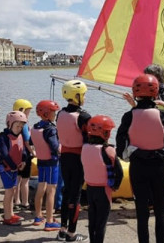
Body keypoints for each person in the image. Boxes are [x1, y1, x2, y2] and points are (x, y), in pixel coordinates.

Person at [116, 74, 164, 243]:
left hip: (138, 168)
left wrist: (130, 156)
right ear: (156, 93)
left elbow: (121, 143)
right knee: (160, 212)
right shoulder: (163, 115)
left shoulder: (129, 116)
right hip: (159, 168)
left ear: (135, 93)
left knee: (142, 212)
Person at [123, 63, 164, 215]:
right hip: (147, 132)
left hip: (163, 133)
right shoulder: (145, 90)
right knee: (148, 170)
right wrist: (133, 104)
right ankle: (151, 201)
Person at [56, 80, 91, 242]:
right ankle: (72, 233)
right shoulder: (83, 116)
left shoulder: (60, 113)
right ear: (76, 96)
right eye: (83, 95)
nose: (84, 97)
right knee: (75, 195)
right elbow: (89, 139)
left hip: (65, 158)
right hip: (78, 159)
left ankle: (62, 230)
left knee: (66, 192)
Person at [81, 115, 123, 243]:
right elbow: (119, 172)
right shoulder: (108, 150)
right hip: (104, 191)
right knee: (101, 223)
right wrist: (115, 186)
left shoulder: (85, 147)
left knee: (92, 221)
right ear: (105, 133)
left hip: (90, 190)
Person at [31, 100, 61, 231]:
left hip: (41, 161)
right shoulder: (50, 129)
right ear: (47, 113)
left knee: (41, 188)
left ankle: (38, 216)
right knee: (51, 191)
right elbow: (55, 147)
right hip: (51, 163)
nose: (55, 114)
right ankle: (49, 221)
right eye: (54, 112)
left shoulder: (36, 126)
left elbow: (32, 141)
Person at [0, 111, 28, 226]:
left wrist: (23, 160)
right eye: (17, 126)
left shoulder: (20, 136)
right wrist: (13, 166)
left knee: (13, 190)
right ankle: (7, 216)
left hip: (15, 168)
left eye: (21, 126)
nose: (19, 128)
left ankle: (10, 213)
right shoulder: (3, 138)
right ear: (9, 124)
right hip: (5, 168)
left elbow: (23, 150)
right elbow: (4, 154)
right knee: (9, 191)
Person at [12, 99, 35, 211]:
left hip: (16, 154)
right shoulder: (24, 124)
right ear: (21, 110)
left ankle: (16, 200)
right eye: (28, 112)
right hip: (25, 155)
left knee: (17, 178)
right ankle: (25, 202)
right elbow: (27, 141)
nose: (28, 114)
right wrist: (33, 152)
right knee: (25, 180)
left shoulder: (12, 123)